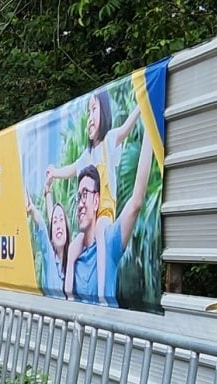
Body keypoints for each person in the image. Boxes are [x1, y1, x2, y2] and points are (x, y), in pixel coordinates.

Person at [47, 91, 141, 302]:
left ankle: (102, 296)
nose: (90, 118)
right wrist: (54, 172)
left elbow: (127, 128)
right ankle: (68, 297)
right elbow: (70, 170)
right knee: (74, 248)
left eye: (94, 109)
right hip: (90, 216)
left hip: (105, 210)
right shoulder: (86, 156)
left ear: (104, 112)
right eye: (88, 111)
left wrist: (141, 105)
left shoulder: (109, 141)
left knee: (100, 231)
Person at [65, 140, 152, 304]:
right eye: (78, 197)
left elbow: (136, 203)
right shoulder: (75, 252)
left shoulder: (109, 241)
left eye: (85, 194)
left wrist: (150, 131)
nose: (81, 203)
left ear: (97, 200)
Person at [25, 180, 69, 298]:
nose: (59, 225)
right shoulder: (49, 257)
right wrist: (33, 210)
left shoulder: (73, 261)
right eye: (55, 222)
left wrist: (48, 192)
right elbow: (44, 229)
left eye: (61, 220)